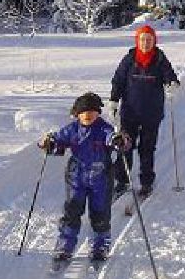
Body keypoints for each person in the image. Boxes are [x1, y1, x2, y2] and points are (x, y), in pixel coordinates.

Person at [38, 92, 128, 263]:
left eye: (92, 112)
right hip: (76, 177)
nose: (87, 115)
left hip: (101, 177)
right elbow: (58, 142)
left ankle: (100, 246)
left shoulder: (103, 128)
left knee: (100, 212)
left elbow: (113, 138)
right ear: (77, 114)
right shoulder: (72, 129)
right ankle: (65, 245)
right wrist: (48, 143)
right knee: (72, 211)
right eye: (83, 112)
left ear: (98, 113)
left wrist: (119, 141)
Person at [109, 25, 180, 200]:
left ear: (154, 41)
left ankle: (146, 183)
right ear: (137, 40)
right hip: (129, 112)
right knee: (125, 147)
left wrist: (172, 85)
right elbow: (118, 80)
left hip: (151, 113)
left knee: (147, 149)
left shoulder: (160, 59)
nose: (146, 43)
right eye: (142, 39)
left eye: (149, 39)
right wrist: (113, 100)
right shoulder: (129, 59)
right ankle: (122, 181)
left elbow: (170, 76)